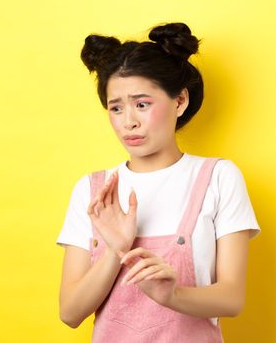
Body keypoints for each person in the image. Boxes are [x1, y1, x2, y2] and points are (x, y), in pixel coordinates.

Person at [57, 22, 261, 342]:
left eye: (142, 104)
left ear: (179, 101)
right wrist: (116, 250)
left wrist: (171, 295)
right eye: (116, 108)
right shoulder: (92, 190)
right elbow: (70, 313)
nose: (129, 121)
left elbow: (232, 298)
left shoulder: (218, 177)